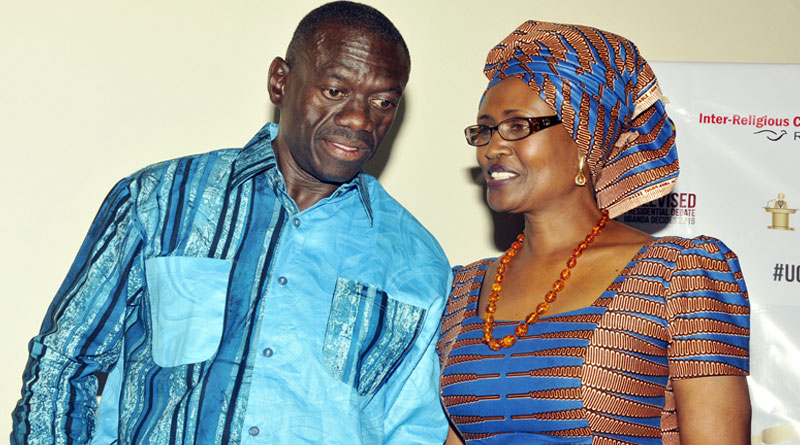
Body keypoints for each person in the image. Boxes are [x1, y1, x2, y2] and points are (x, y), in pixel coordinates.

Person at [11, 2, 451, 443]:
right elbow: (63, 363)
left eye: (382, 101)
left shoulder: (415, 259)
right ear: (280, 82)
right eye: (335, 91)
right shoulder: (163, 199)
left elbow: (412, 429)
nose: (360, 118)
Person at [437, 21, 751, 444]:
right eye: (485, 129)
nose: (492, 147)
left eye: (517, 126)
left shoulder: (678, 276)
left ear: (583, 139)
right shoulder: (464, 289)